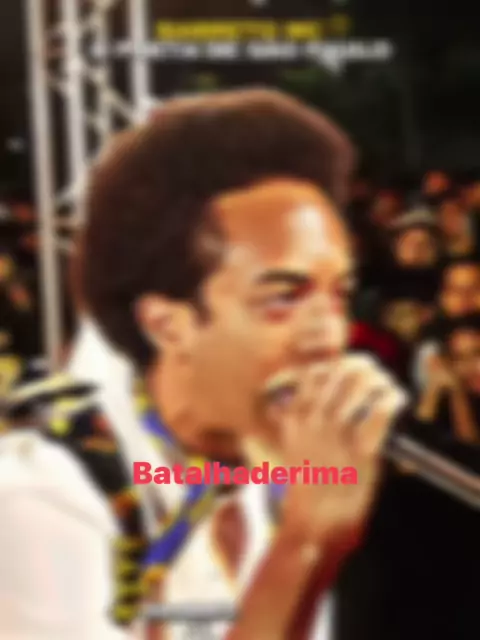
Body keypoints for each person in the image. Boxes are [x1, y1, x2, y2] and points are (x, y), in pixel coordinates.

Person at [78, 88, 405, 640]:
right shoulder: (46, 493)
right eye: (282, 298)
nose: (329, 338)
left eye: (339, 295)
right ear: (167, 324)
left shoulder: (275, 477)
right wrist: (304, 547)